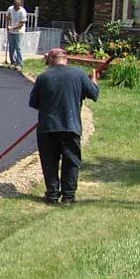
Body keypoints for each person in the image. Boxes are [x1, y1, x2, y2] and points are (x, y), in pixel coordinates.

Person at [29, 48, 99, 205]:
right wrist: (93, 80)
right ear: (65, 59)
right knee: (71, 161)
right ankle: (68, 196)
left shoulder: (43, 77)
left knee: (49, 162)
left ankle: (52, 196)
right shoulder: (79, 74)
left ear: (52, 60)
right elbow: (94, 94)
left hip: (47, 127)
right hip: (70, 126)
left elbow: (34, 103)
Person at [5, 0, 28, 70]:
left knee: (18, 48)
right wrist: (8, 25)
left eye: (17, 7)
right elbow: (7, 17)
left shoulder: (22, 12)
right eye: (15, 6)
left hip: (19, 32)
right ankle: (13, 63)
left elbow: (21, 24)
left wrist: (12, 27)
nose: (16, 8)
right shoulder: (10, 9)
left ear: (19, 6)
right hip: (11, 32)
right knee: (11, 48)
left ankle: (20, 64)